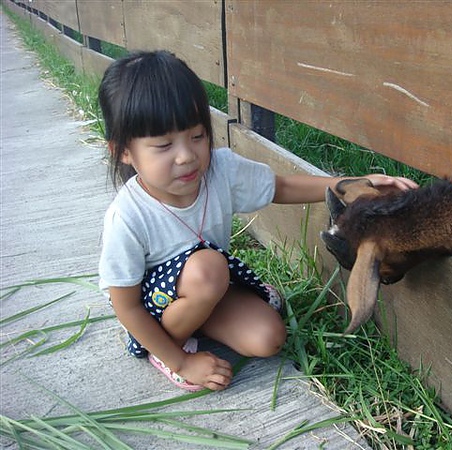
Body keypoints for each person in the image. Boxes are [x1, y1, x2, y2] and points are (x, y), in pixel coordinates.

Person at [98, 50, 418, 392]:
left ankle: (203, 316)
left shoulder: (220, 170)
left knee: (268, 338)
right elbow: (126, 305)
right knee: (209, 269)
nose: (186, 156)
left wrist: (343, 185)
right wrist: (183, 362)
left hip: (209, 287)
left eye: (197, 136)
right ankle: (165, 352)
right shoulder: (128, 215)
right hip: (153, 316)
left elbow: (279, 186)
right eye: (163, 145)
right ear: (124, 152)